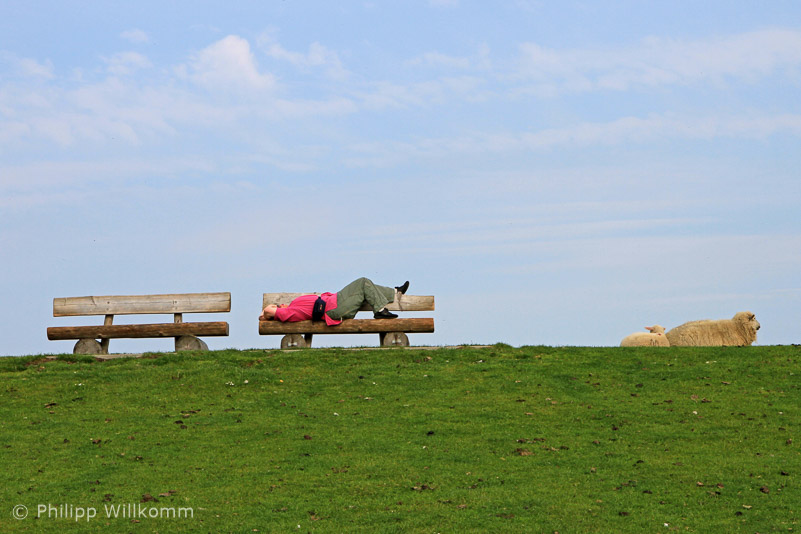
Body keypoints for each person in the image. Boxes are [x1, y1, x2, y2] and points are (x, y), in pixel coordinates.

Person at [259, 277, 410, 325]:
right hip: (334, 309)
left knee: (366, 285)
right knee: (363, 282)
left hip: (336, 301)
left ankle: (396, 293)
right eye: (278, 306)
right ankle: (380, 311)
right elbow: (265, 313)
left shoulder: (291, 307)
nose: (280, 305)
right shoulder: (289, 313)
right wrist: (273, 308)